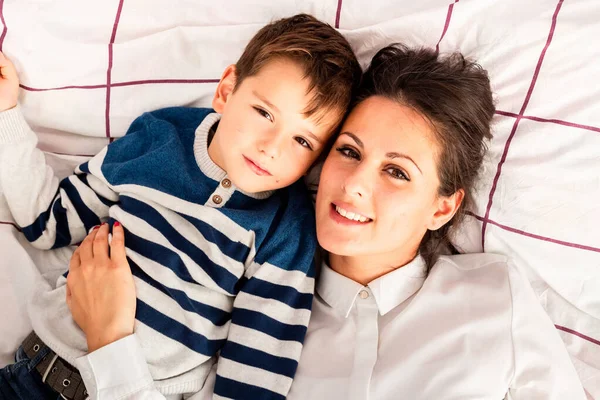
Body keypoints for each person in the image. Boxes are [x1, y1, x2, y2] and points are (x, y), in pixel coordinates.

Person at [58, 44, 586, 399]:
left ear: (442, 207)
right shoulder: (259, 313)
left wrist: (110, 339)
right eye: (349, 151)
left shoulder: (496, 300)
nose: (355, 183)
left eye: (397, 172)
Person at [0, 14, 361, 400]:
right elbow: (47, 223)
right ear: (226, 90)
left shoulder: (287, 234)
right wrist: (6, 114)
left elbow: (249, 387)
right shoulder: (159, 137)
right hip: (31, 375)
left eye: (303, 141)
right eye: (264, 113)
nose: (271, 147)